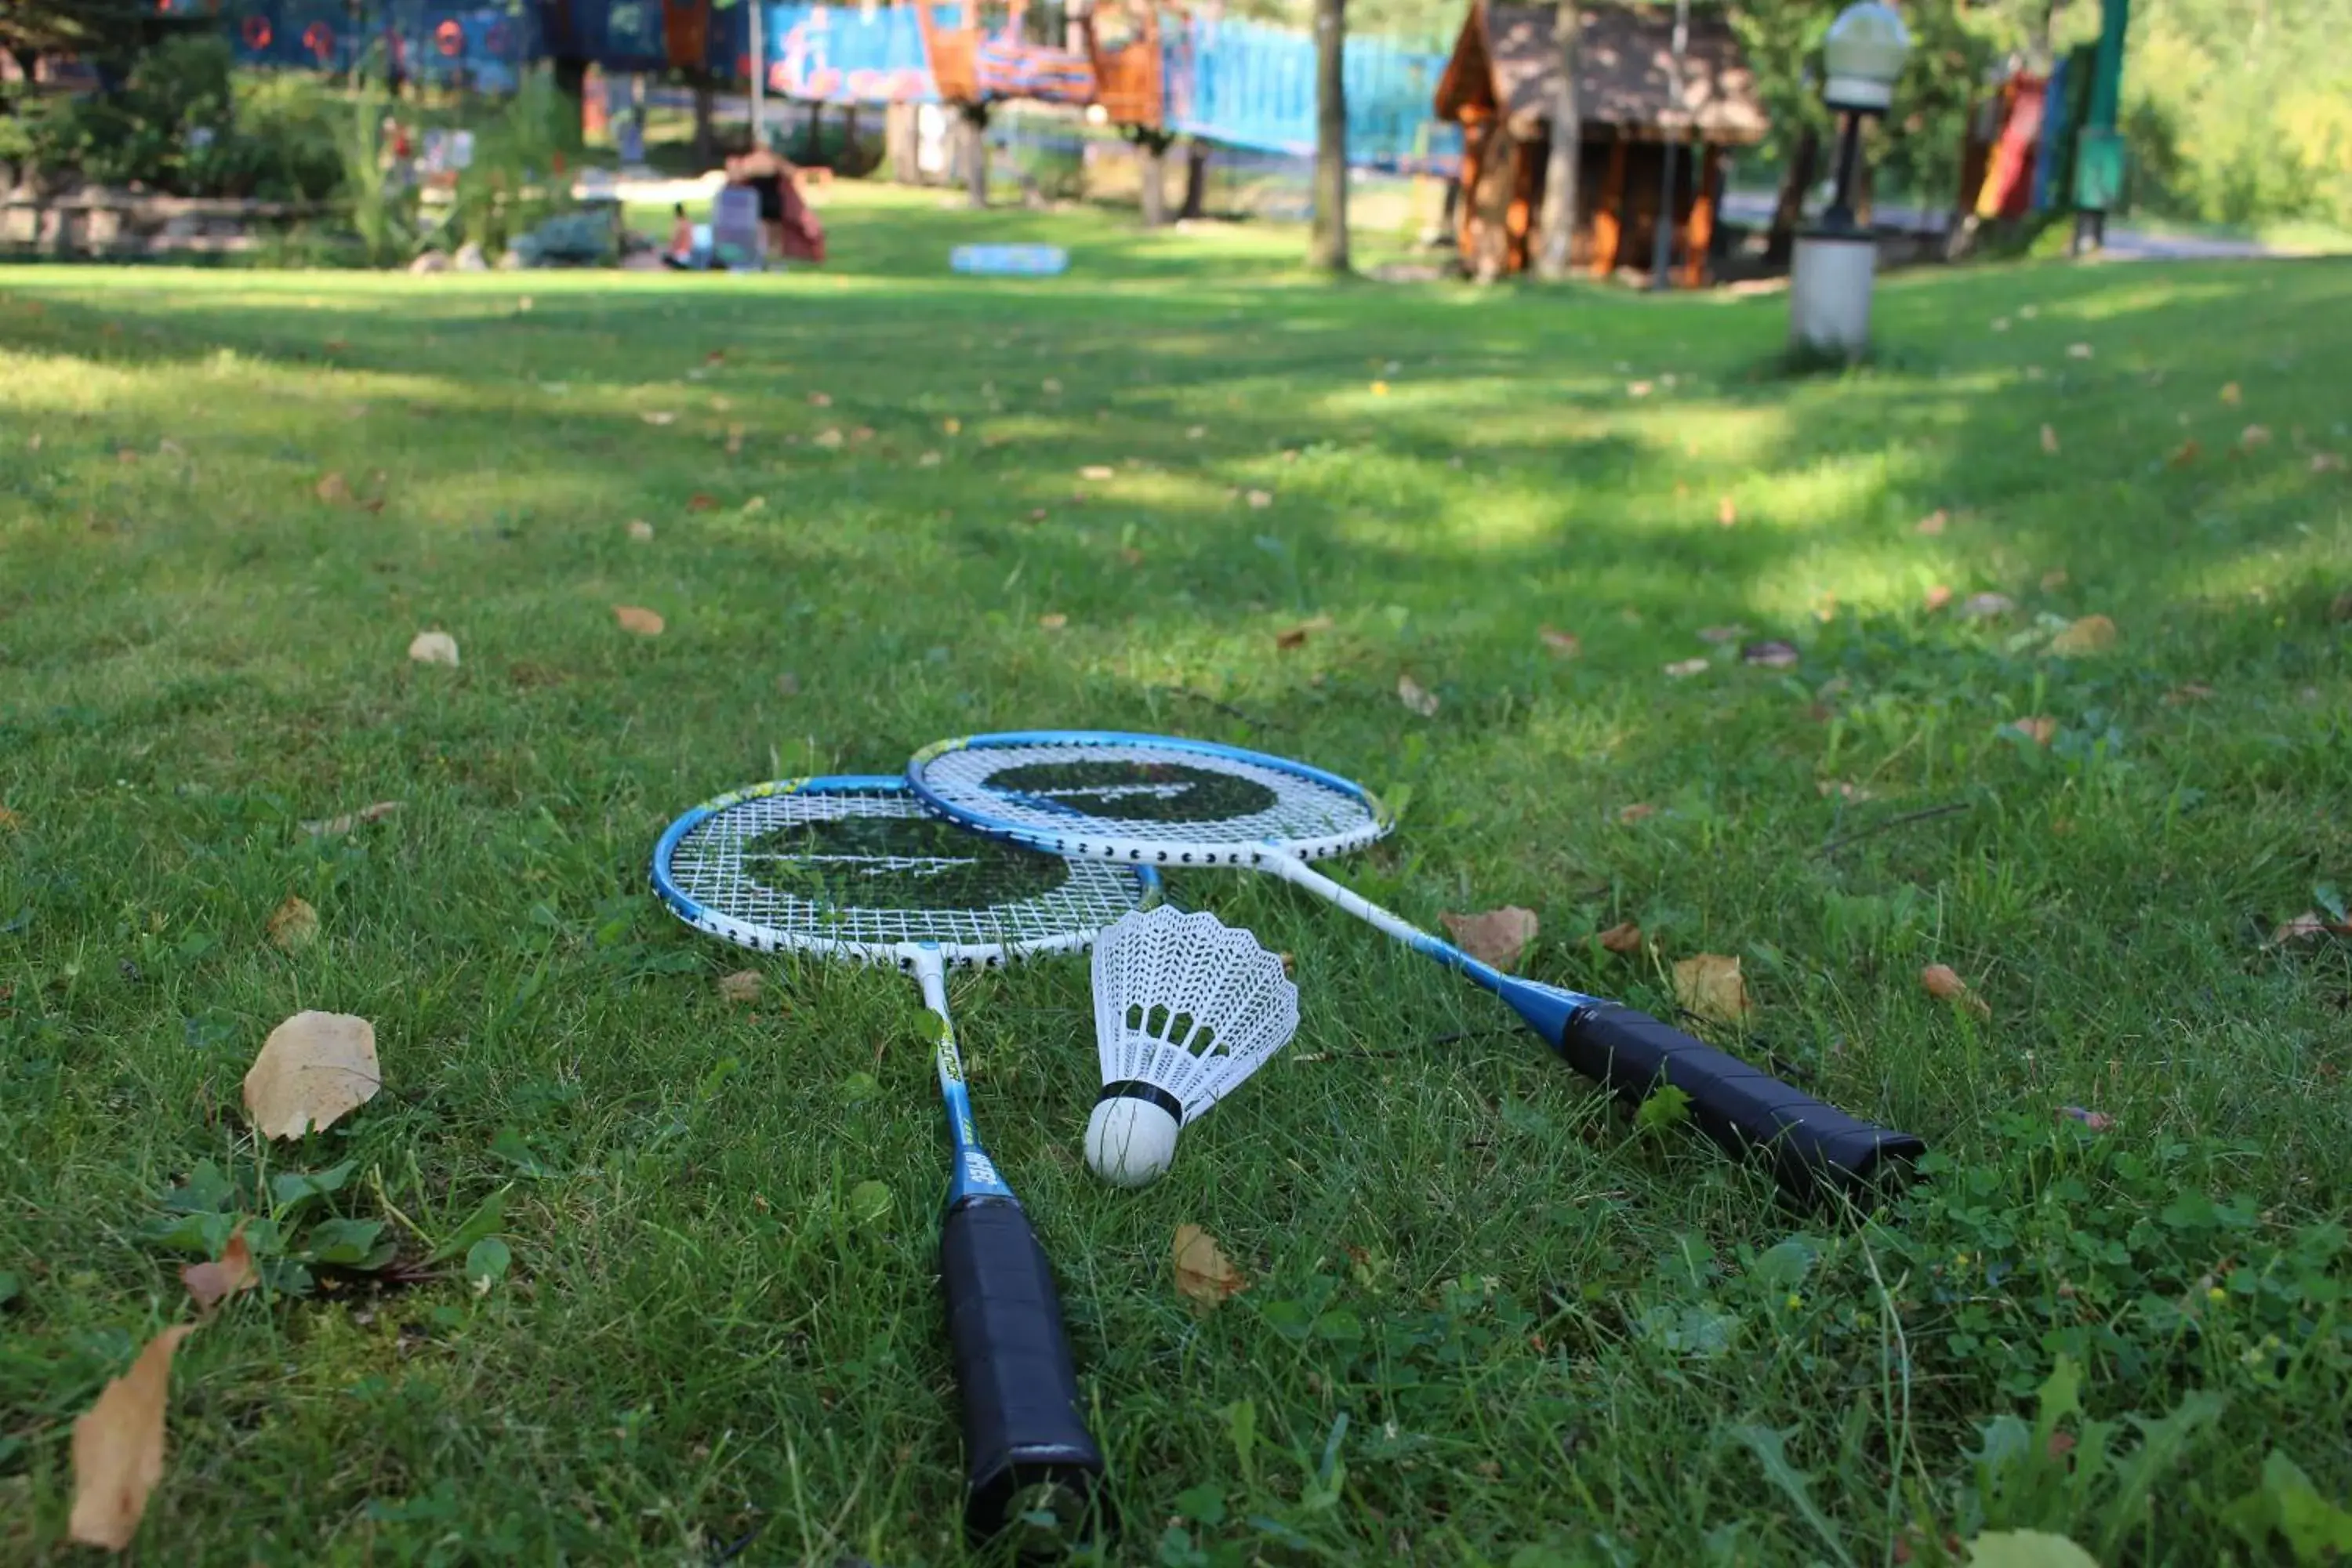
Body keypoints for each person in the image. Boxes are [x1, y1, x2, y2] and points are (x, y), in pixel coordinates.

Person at [662, 201, 699, 269]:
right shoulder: (688, 222)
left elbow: (675, 239)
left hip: (680, 253)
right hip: (687, 251)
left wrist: (671, 249)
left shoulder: (679, 224)